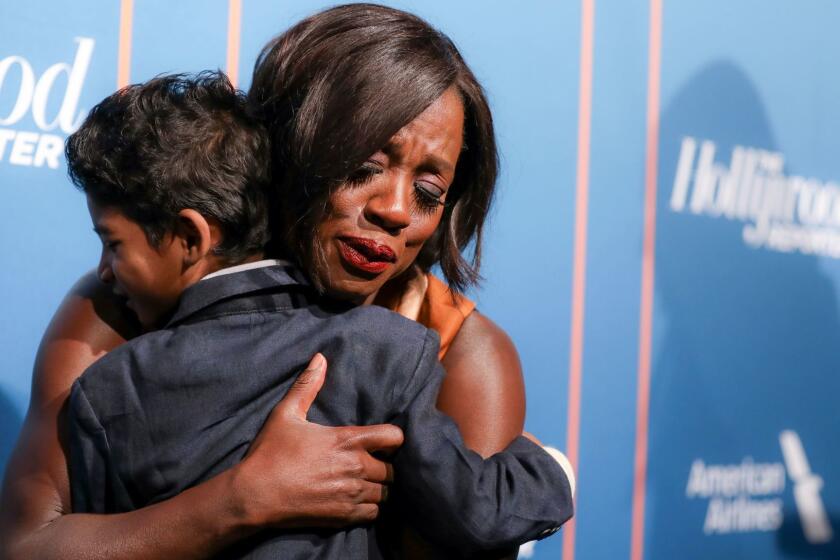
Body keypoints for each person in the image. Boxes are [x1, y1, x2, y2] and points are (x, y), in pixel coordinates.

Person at [0, 4, 574, 559]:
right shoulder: (126, 302)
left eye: (428, 193)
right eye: (364, 168)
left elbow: (466, 532)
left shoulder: (463, 352)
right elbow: (25, 546)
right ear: (293, 143)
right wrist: (243, 499)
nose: (396, 210)